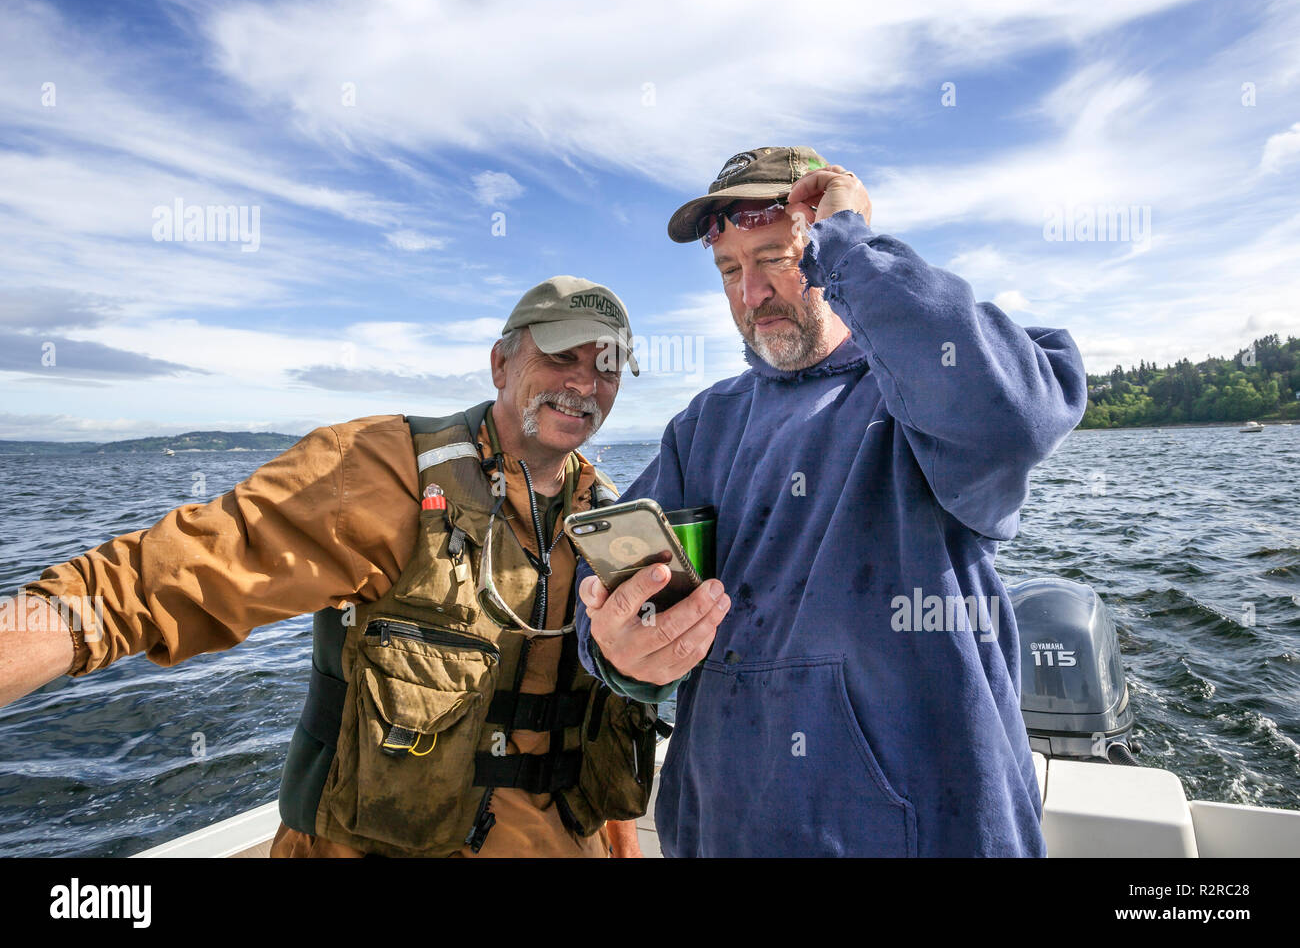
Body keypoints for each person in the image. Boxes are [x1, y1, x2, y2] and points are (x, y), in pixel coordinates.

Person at [1, 276, 655, 858]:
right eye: (560, 355)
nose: (583, 383)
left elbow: (599, 709)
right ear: (500, 362)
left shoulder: (608, 517)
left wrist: (619, 834)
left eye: (607, 366)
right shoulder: (380, 469)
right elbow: (167, 574)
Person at [578, 146, 1088, 857]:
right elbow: (604, 588)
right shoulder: (703, 425)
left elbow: (1013, 417)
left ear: (827, 248)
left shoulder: (919, 391)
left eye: (776, 257)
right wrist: (616, 647)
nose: (752, 294)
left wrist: (855, 244)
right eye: (730, 269)